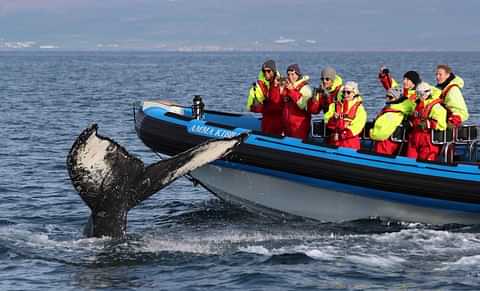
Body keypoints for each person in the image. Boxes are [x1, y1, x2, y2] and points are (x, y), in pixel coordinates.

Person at [406, 82, 447, 161]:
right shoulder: (416, 105)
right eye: (417, 93)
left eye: (420, 94)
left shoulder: (436, 107)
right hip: (414, 138)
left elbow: (441, 125)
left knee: (424, 162)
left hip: (427, 140)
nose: (418, 96)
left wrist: (427, 124)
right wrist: (410, 123)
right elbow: (414, 118)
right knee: (409, 160)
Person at [370, 88, 415, 155]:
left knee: (381, 157)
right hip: (381, 139)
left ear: (397, 98)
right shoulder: (389, 108)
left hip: (387, 140)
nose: (387, 99)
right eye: (387, 96)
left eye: (390, 97)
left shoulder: (397, 111)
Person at [324, 81, 367, 149]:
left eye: (348, 92)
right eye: (344, 92)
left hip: (350, 143)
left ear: (354, 93)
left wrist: (341, 135)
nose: (345, 94)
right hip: (334, 142)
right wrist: (333, 119)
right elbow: (326, 121)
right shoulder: (334, 106)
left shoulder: (360, 109)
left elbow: (356, 128)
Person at [246, 59, 284, 135]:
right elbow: (250, 107)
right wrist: (258, 106)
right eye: (264, 71)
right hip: (267, 121)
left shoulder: (282, 82)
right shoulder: (258, 86)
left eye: (269, 71)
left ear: (273, 71)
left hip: (281, 122)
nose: (266, 73)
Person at [281, 64, 313, 139]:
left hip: (299, 128)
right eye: (288, 74)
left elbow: (302, 105)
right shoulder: (287, 87)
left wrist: (292, 91)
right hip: (287, 127)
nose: (290, 77)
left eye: (293, 74)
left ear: (298, 75)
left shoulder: (305, 88)